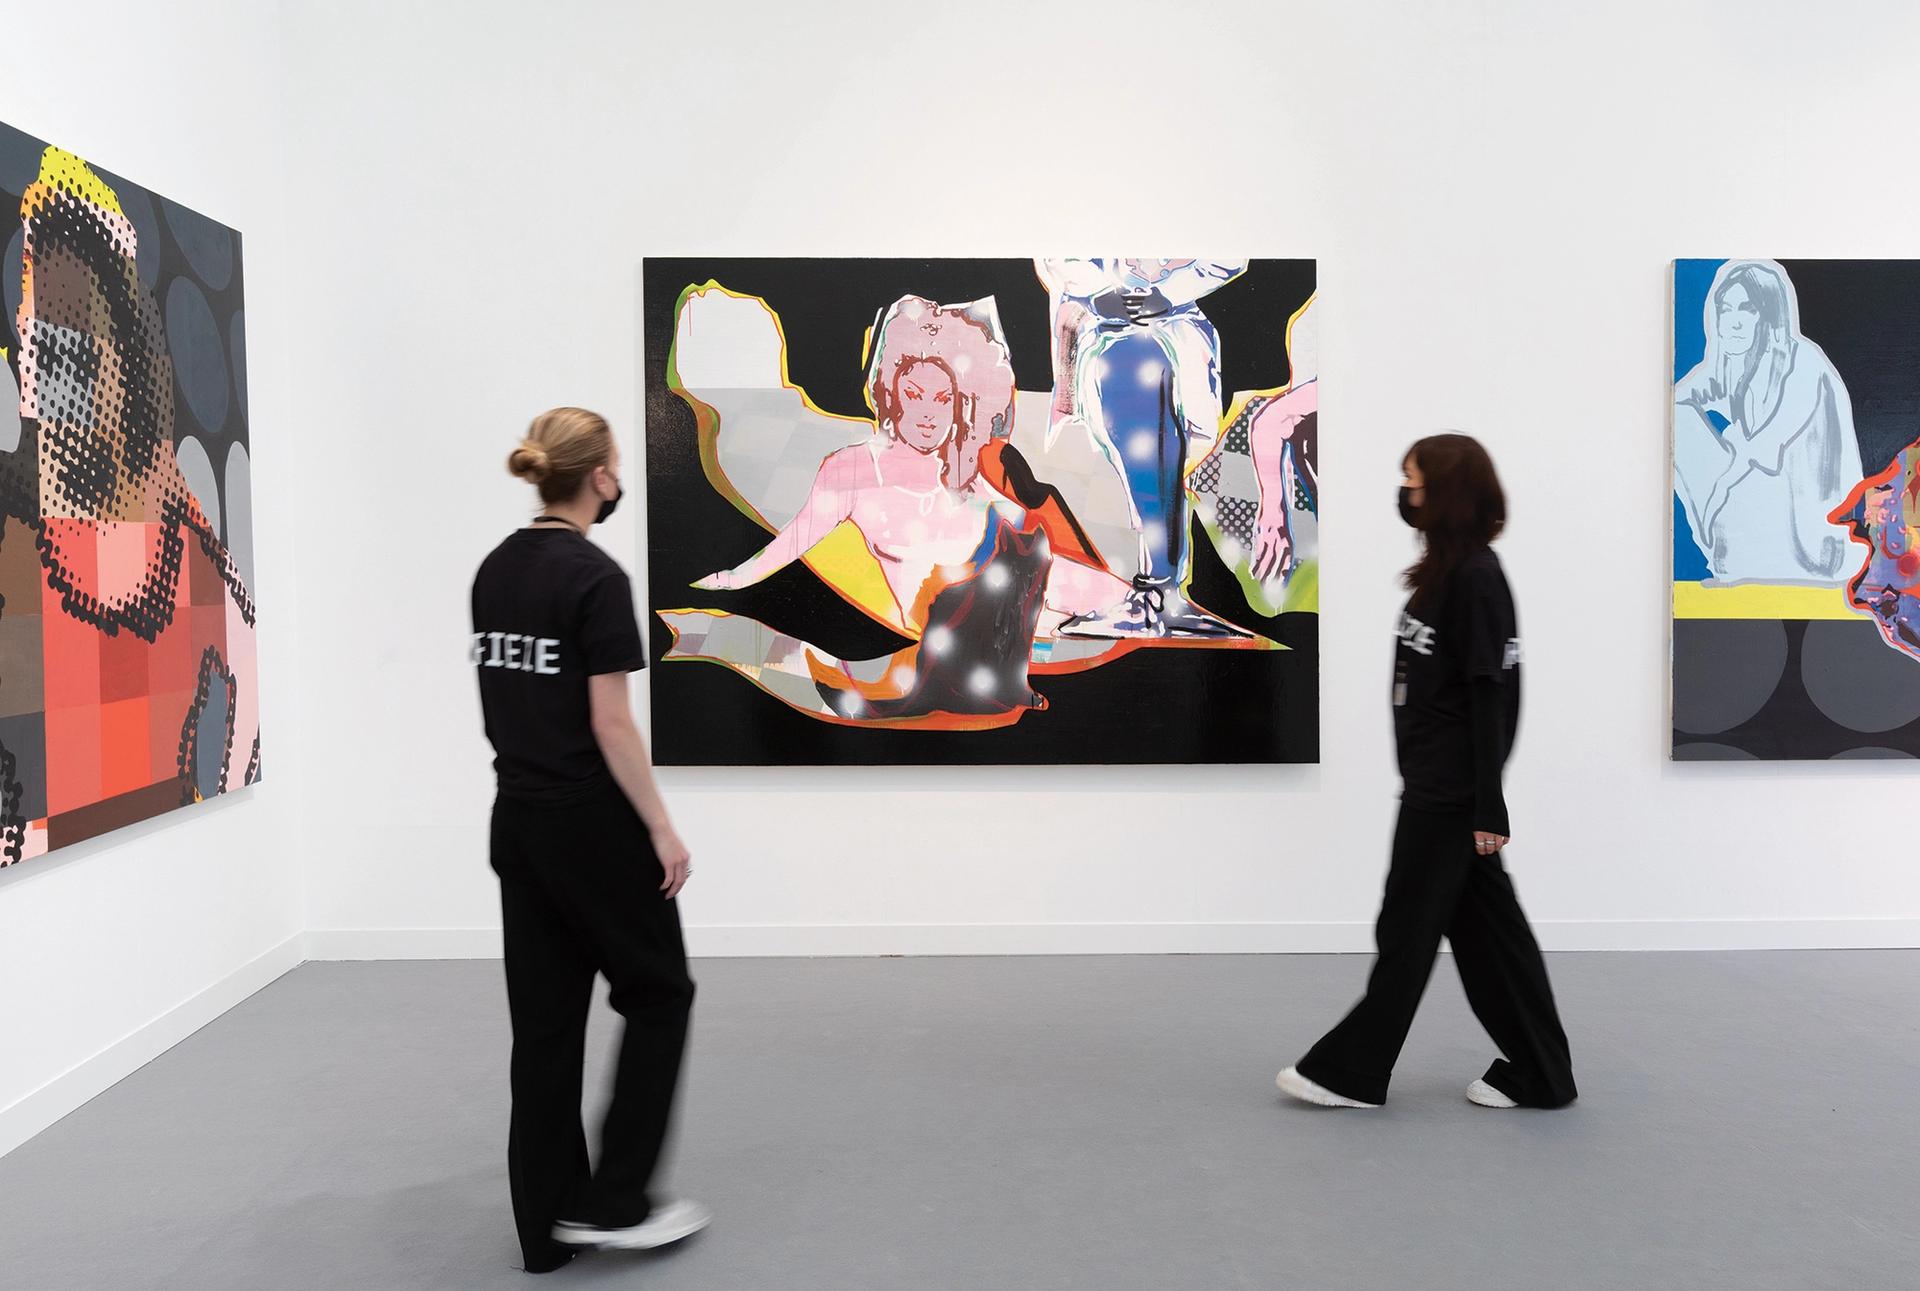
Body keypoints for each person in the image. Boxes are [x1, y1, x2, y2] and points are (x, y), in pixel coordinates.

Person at [470, 407, 708, 1273]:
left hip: (518, 817)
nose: (619, 478)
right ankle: (615, 1201)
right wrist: (660, 828)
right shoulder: (596, 578)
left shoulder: (495, 570)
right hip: (589, 822)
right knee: (660, 992)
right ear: (600, 474)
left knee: (544, 1026)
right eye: (616, 465)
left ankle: (544, 1230)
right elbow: (611, 723)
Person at [1277, 434, 1577, 1111]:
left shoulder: (1477, 579)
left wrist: (1487, 804)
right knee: (1490, 938)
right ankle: (1541, 1073)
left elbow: (1492, 695)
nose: (1404, 493)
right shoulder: (1447, 573)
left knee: (1407, 931)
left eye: (1412, 481)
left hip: (1448, 793)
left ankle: (1351, 1071)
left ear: (1446, 493)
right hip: (1437, 784)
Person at [1673, 259, 1862, 585]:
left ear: (1770, 315)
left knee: (1732, 448)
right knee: (1680, 419)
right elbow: (1678, 399)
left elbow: (1765, 452)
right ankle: (1732, 555)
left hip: (1815, 542)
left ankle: (1736, 556)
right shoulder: (1734, 365)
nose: (1732, 322)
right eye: (1725, 309)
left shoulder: (1805, 363)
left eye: (1747, 309)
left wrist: (1718, 491)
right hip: (1765, 518)